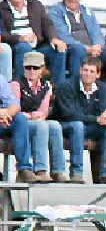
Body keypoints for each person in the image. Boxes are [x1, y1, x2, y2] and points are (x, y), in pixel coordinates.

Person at [53, 56, 106, 183]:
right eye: (85, 70)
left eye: (92, 71)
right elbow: (69, 114)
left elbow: (103, 110)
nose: (88, 74)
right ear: (80, 70)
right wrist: (97, 119)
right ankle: (76, 173)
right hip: (66, 125)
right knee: (77, 126)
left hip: (89, 125)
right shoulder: (67, 86)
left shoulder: (102, 88)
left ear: (98, 74)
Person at [10, 50, 66, 182]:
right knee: (41, 126)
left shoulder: (47, 86)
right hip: (19, 123)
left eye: (35, 68)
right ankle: (40, 169)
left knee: (55, 126)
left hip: (34, 119)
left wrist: (32, 115)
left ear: (41, 69)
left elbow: (44, 111)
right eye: (28, 67)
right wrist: (32, 116)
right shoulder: (16, 84)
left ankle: (58, 170)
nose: (31, 71)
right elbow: (16, 110)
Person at [1, 0, 67, 84]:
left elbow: (47, 24)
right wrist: (20, 38)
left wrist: (54, 39)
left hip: (38, 46)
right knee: (24, 47)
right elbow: (2, 33)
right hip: (16, 47)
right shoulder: (1, 8)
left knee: (59, 49)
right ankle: (21, 89)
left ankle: (58, 93)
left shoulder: (35, 4)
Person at [0, 69, 37, 182]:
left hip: (3, 121)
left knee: (20, 118)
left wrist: (6, 113)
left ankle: (24, 168)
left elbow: (15, 105)